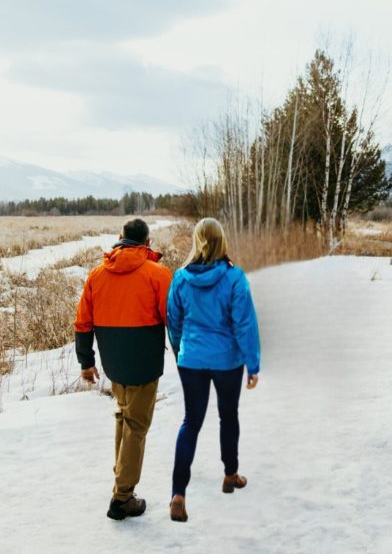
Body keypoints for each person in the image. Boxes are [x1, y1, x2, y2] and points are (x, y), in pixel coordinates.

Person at [74, 218, 172, 521]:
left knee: (124, 416)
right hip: (144, 362)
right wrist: (185, 353)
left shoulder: (97, 274)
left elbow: (83, 321)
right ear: (147, 243)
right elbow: (173, 318)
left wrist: (86, 361)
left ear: (120, 238)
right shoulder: (158, 274)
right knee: (136, 426)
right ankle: (122, 497)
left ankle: (121, 477)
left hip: (113, 362)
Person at [166, 217, 261, 523]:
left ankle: (178, 495)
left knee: (191, 422)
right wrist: (253, 363)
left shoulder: (181, 278)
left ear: (197, 241)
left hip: (192, 359)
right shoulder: (234, 277)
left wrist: (181, 350)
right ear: (222, 241)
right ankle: (230, 475)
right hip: (226, 361)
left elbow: (174, 320)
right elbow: (244, 323)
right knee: (228, 416)